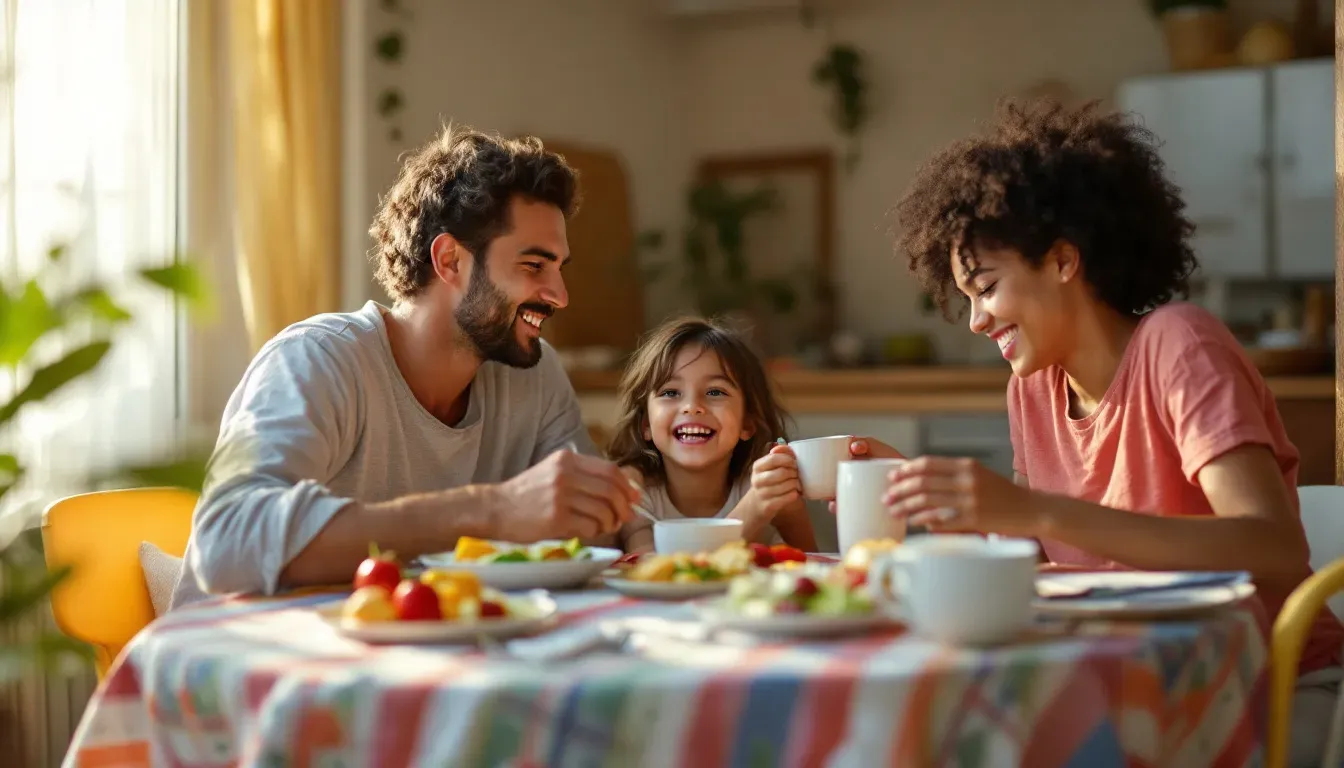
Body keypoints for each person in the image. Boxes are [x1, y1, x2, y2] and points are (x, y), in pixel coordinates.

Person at [861, 98, 1344, 767]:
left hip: (1270, 689)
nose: (975, 320)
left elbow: (1276, 547)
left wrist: (1032, 509)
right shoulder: (1031, 388)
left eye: (986, 287)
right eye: (966, 298)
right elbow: (1036, 569)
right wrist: (940, 502)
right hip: (1128, 689)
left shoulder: (1178, 345)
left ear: (1064, 260)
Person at [172, 125, 638, 608]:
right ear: (450, 260)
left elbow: (596, 526)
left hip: (413, 645)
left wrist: (622, 513)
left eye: (559, 268)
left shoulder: (534, 375)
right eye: (534, 266)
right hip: (242, 649)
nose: (560, 296)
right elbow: (225, 540)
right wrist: (492, 511)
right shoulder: (317, 360)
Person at [605, 317, 818, 553]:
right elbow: (649, 564)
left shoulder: (764, 483)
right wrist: (752, 510)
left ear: (747, 422)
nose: (692, 407)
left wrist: (791, 509)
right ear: (646, 423)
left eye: (715, 392)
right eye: (671, 392)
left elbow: (814, 563)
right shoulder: (633, 488)